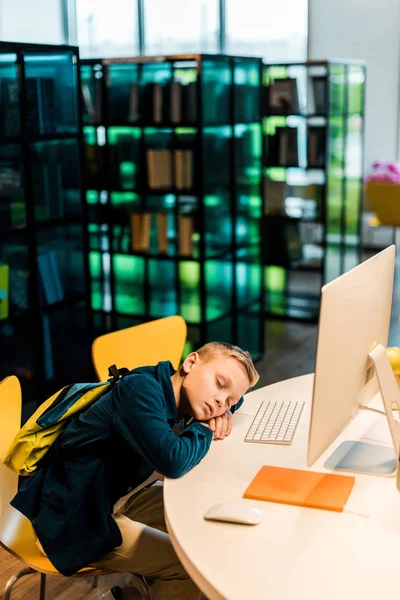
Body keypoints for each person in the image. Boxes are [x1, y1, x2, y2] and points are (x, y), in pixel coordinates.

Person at [11, 341, 259, 599]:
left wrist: (227, 408)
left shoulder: (181, 391)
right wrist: (204, 428)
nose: (221, 401)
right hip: (74, 516)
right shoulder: (141, 391)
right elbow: (171, 460)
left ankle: (131, 593)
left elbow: (230, 398)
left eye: (230, 401)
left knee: (205, 515)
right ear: (191, 362)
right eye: (220, 384)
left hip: (117, 495)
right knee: (185, 567)